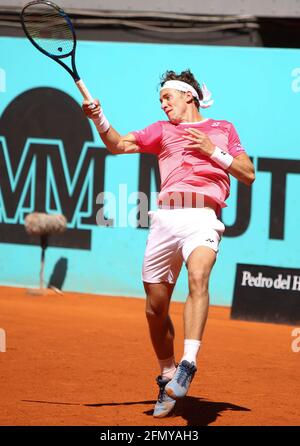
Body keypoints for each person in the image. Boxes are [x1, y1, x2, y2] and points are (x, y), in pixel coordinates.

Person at [82, 69, 255, 418]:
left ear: (188, 96)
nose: (163, 105)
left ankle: (189, 362)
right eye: (160, 100)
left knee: (198, 277)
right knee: (154, 309)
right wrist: (98, 117)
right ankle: (167, 373)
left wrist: (213, 152)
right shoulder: (161, 131)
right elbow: (118, 145)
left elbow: (247, 173)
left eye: (167, 98)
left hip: (203, 217)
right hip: (165, 220)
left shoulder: (222, 129)